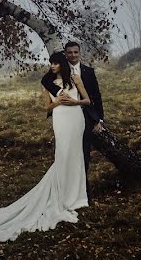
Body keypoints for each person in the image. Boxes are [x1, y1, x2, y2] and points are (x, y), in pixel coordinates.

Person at [0, 52, 91, 243]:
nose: (52, 66)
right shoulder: (47, 83)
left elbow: (87, 101)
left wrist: (75, 101)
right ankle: (61, 196)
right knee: (63, 155)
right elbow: (47, 108)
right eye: (51, 63)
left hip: (76, 118)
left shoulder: (75, 79)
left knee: (76, 156)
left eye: (56, 64)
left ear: (63, 65)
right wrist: (57, 102)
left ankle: (77, 197)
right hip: (61, 121)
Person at [41, 40, 104, 179]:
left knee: (84, 153)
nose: (73, 55)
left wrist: (99, 119)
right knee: (65, 151)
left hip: (85, 116)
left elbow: (96, 96)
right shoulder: (56, 70)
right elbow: (44, 82)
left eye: (76, 52)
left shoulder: (88, 71)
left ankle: (81, 188)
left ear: (80, 53)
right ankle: (65, 184)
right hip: (64, 118)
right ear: (66, 54)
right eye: (70, 53)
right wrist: (58, 94)